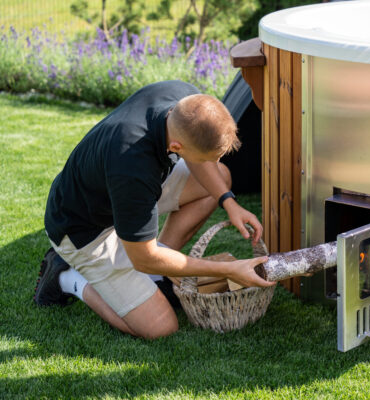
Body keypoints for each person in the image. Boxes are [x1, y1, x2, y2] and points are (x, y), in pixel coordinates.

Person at [34, 80, 275, 339]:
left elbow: (200, 157)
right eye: (206, 158)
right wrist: (227, 270)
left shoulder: (185, 100)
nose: (210, 164)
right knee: (160, 328)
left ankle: (158, 274)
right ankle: (66, 277)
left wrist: (229, 202)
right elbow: (143, 257)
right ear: (176, 148)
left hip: (118, 196)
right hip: (84, 230)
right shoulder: (132, 167)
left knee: (220, 179)